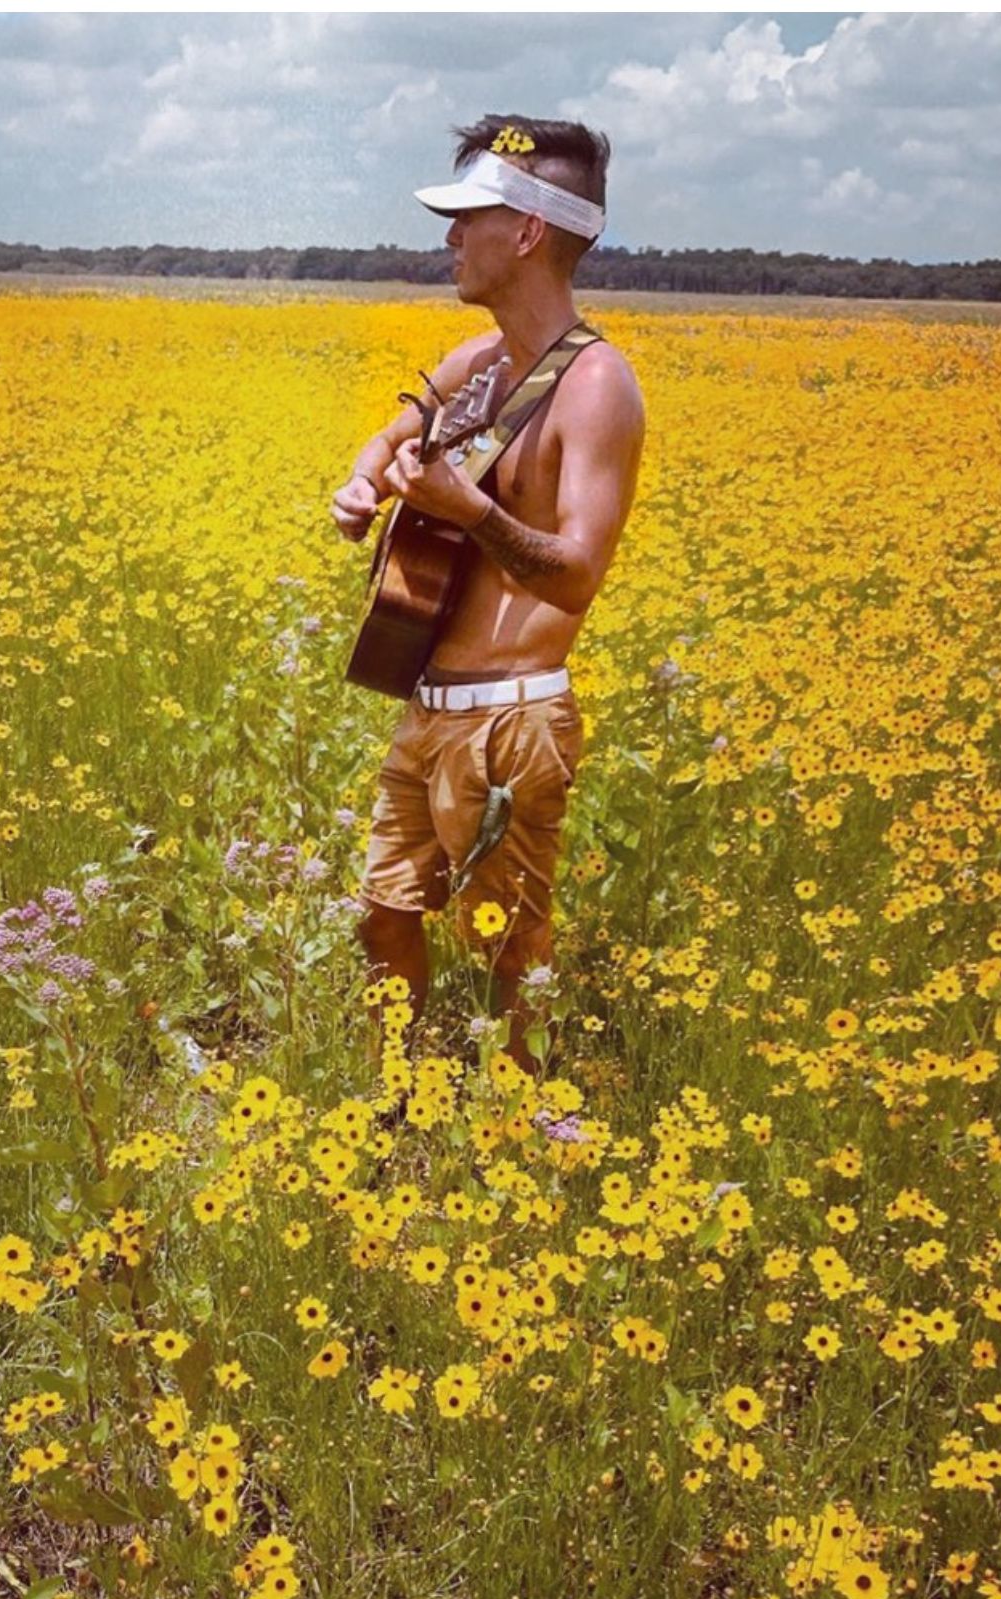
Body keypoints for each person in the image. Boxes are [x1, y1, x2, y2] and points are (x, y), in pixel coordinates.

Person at [327, 115, 647, 1076]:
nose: (449, 238)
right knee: (382, 917)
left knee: (507, 948)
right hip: (426, 709)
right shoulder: (477, 361)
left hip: (512, 720)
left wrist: (467, 510)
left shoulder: (596, 386)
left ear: (529, 233)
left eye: (471, 218)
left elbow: (578, 570)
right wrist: (359, 485)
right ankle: (400, 1098)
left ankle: (520, 1125)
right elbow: (388, 441)